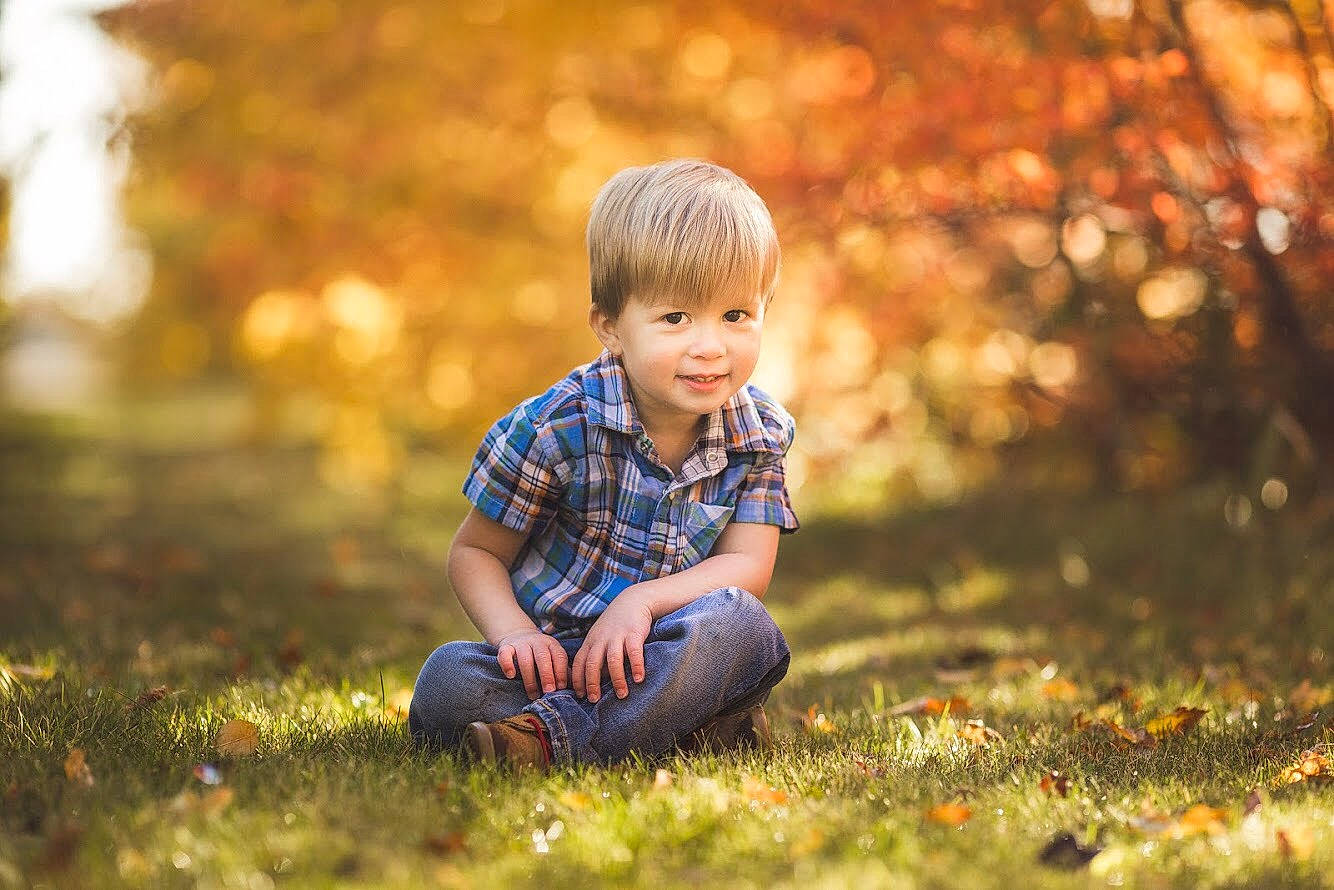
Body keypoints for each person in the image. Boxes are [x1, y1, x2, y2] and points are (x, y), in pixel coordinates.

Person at [407, 159, 798, 768]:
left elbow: (748, 566)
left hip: (663, 647)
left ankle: (542, 742)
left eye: (735, 315)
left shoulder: (759, 432)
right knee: (447, 683)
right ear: (609, 326)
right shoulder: (556, 426)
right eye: (674, 318)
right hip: (556, 662)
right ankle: (677, 727)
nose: (710, 345)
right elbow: (476, 554)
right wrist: (518, 637)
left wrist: (640, 603)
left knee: (739, 624)